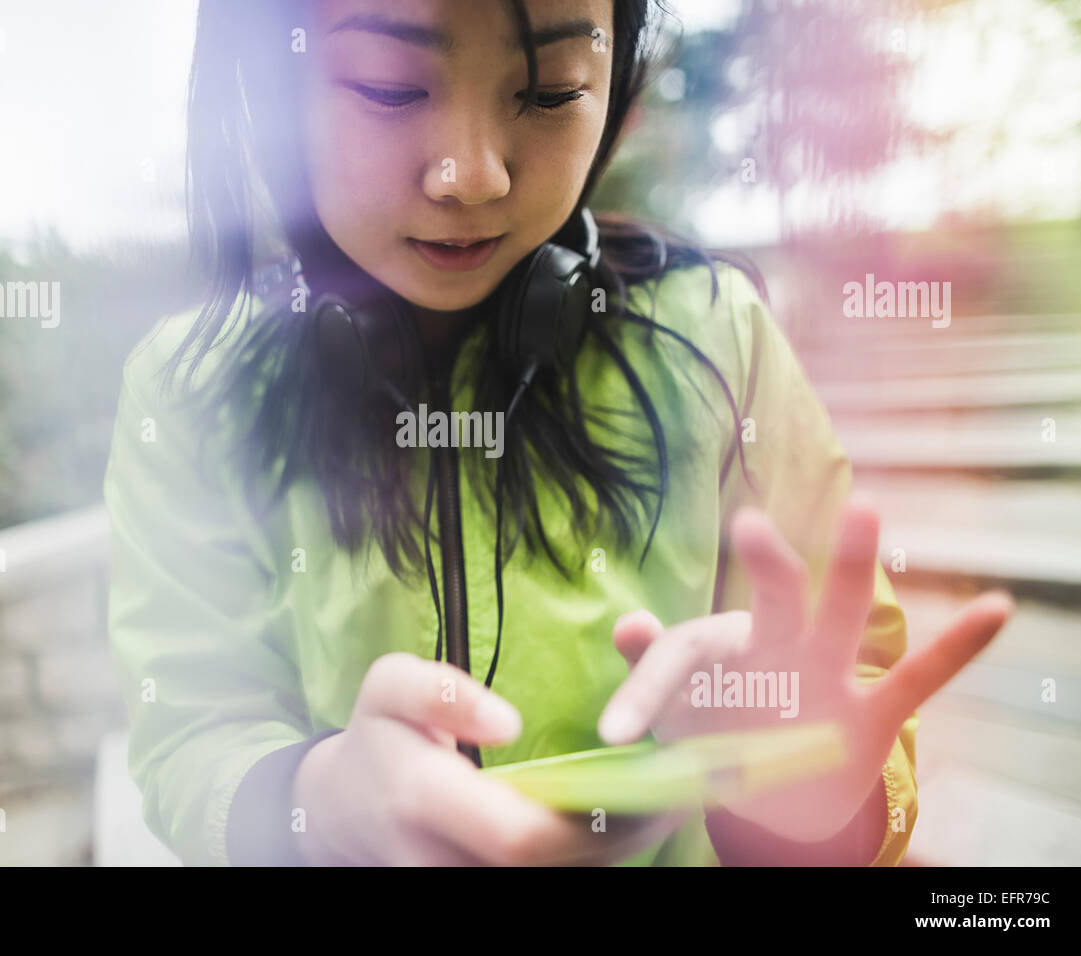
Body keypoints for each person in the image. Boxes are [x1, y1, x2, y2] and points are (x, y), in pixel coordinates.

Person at [103, 0, 1014, 866]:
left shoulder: (717, 335)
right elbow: (191, 728)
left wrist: (804, 804)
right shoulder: (191, 388)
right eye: (388, 85)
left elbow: (849, 719)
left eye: (549, 93)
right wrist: (316, 801)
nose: (474, 174)